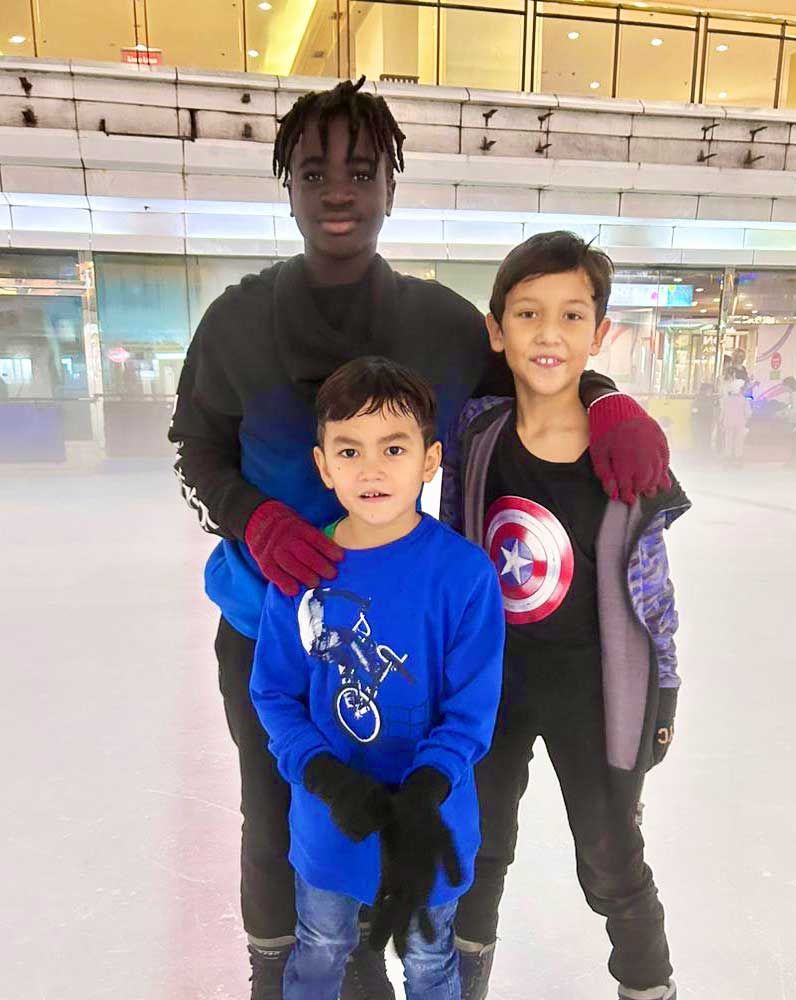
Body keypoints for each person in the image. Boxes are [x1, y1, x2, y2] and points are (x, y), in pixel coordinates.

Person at [167, 76, 671, 999]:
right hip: (273, 622)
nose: (339, 190)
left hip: (407, 640)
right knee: (276, 815)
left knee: (403, 813)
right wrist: (253, 518)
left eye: (361, 170)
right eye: (314, 171)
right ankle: (281, 977)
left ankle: (410, 963)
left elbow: (537, 372)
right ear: (287, 187)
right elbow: (193, 442)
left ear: (392, 187)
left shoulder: (439, 324)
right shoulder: (236, 321)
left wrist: (609, 401)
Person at [441, 232, 690, 1000]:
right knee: (477, 849)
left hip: (595, 686)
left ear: (599, 332)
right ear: (496, 329)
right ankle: (461, 980)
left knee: (613, 858)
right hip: (494, 685)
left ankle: (647, 987)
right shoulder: (477, 431)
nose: (548, 334)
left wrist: (667, 690)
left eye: (572, 315)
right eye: (527, 313)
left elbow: (652, 587)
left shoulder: (627, 452)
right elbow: (453, 544)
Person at [249, 357, 505, 1000]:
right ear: (323, 464)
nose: (371, 468)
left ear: (429, 459)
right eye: (349, 449)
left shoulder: (464, 575)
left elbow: (471, 709)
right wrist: (324, 776)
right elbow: (274, 692)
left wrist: (425, 791)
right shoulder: (302, 571)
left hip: (428, 822)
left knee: (427, 960)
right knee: (322, 946)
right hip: (330, 826)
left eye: (393, 447)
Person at [719, 373, 750, 467]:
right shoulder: (744, 400)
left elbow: (722, 412)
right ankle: (738, 459)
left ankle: (727, 459)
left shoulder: (726, 400)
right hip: (740, 423)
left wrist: (721, 421)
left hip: (728, 423)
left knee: (728, 441)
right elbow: (748, 413)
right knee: (738, 442)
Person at [690, 381, 716, 458]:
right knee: (700, 439)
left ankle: (704, 455)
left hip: (706, 422)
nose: (710, 392)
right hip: (700, 422)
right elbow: (694, 412)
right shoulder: (698, 400)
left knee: (706, 439)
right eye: (709, 390)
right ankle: (700, 456)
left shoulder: (709, 400)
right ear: (704, 391)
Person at [781, 376, 796, 467]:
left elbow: (795, 408)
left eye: (784, 386)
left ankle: (794, 463)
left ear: (789, 385)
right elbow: (791, 407)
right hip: (795, 421)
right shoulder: (794, 394)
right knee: (795, 443)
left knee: (795, 443)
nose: (783, 388)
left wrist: (785, 414)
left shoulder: (795, 395)